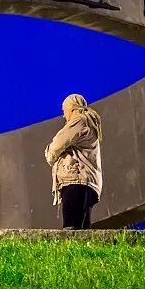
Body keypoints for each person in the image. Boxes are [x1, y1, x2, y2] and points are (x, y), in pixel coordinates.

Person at [44, 93, 103, 229]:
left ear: (72, 109)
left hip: (77, 181)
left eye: (64, 111)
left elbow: (58, 143)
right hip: (86, 182)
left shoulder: (80, 120)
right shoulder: (88, 122)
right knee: (82, 230)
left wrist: (49, 154)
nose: (64, 116)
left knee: (71, 229)